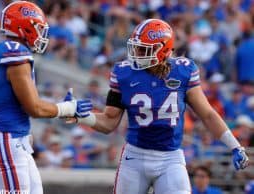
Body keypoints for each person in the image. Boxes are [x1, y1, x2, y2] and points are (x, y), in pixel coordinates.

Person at [68, 19, 249, 194]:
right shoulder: (123, 73)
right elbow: (109, 121)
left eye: (142, 48)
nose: (136, 53)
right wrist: (81, 115)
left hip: (170, 158)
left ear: (161, 50)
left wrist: (235, 146)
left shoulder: (183, 71)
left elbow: (208, 115)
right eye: (136, 47)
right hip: (135, 157)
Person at [0, 1, 92, 194]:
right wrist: (67, 109)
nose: (41, 34)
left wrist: (59, 107)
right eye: (38, 28)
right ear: (23, 27)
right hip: (5, 140)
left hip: (13, 139)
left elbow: (23, 103)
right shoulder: (15, 51)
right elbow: (34, 108)